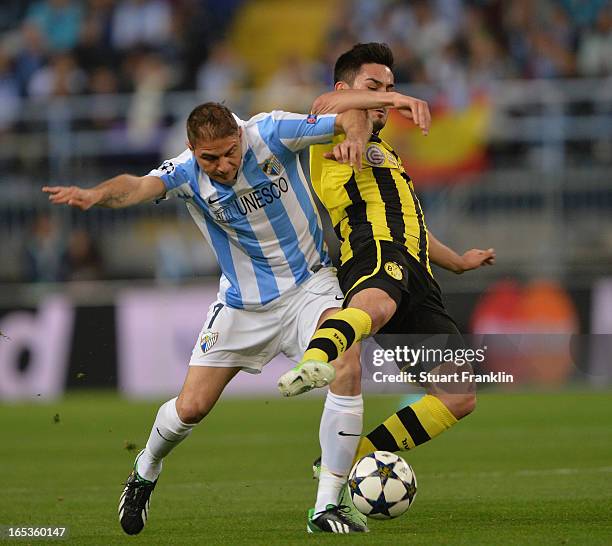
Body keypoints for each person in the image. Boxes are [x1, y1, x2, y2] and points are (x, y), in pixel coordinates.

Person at [43, 101, 378, 534]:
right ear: (191, 149)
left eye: (229, 153)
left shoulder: (273, 132)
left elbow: (353, 116)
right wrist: (96, 195)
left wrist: (353, 138)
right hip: (242, 305)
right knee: (191, 408)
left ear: (239, 136)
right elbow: (137, 186)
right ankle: (145, 470)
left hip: (310, 286)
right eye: (210, 158)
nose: (222, 165)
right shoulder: (184, 173)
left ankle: (327, 505)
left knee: (346, 362)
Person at [277, 43, 495, 467]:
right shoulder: (331, 131)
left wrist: (459, 262)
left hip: (418, 272)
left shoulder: (388, 153)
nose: (383, 97)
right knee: (375, 305)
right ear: (347, 87)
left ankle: (349, 459)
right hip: (373, 250)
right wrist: (393, 99)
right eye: (372, 86)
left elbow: (412, 226)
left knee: (458, 394)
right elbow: (332, 104)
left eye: (390, 87)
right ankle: (316, 361)